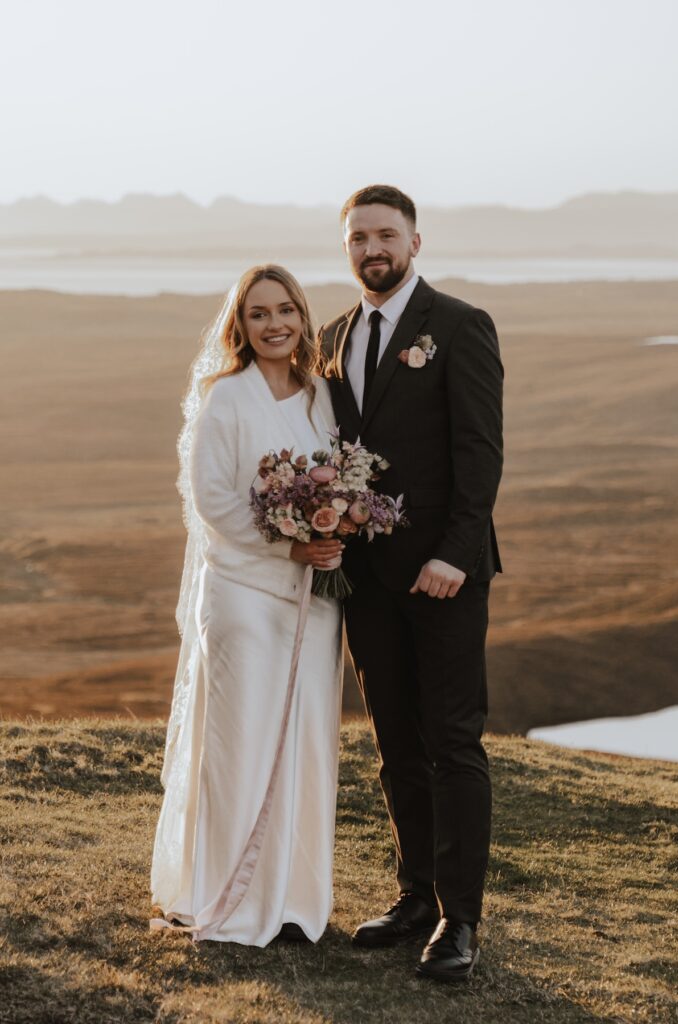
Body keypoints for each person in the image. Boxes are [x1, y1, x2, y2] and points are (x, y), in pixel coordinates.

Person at [320, 185, 504, 983]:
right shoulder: (331, 337)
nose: (372, 249)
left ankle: (461, 920)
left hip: (442, 575)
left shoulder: (459, 327)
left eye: (385, 235)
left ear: (415, 243)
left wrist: (456, 554)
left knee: (452, 742)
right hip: (365, 580)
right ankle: (415, 898)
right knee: (394, 741)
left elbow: (479, 450)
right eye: (359, 237)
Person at [151, 265, 344, 946]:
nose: (274, 325)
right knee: (241, 740)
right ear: (240, 325)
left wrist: (334, 529)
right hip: (240, 591)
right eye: (258, 313)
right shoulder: (223, 398)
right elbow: (213, 500)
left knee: (304, 740)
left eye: (285, 310)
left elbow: (342, 478)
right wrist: (285, 547)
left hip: (312, 602)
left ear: (302, 316)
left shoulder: (322, 396)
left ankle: (292, 900)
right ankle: (226, 894)